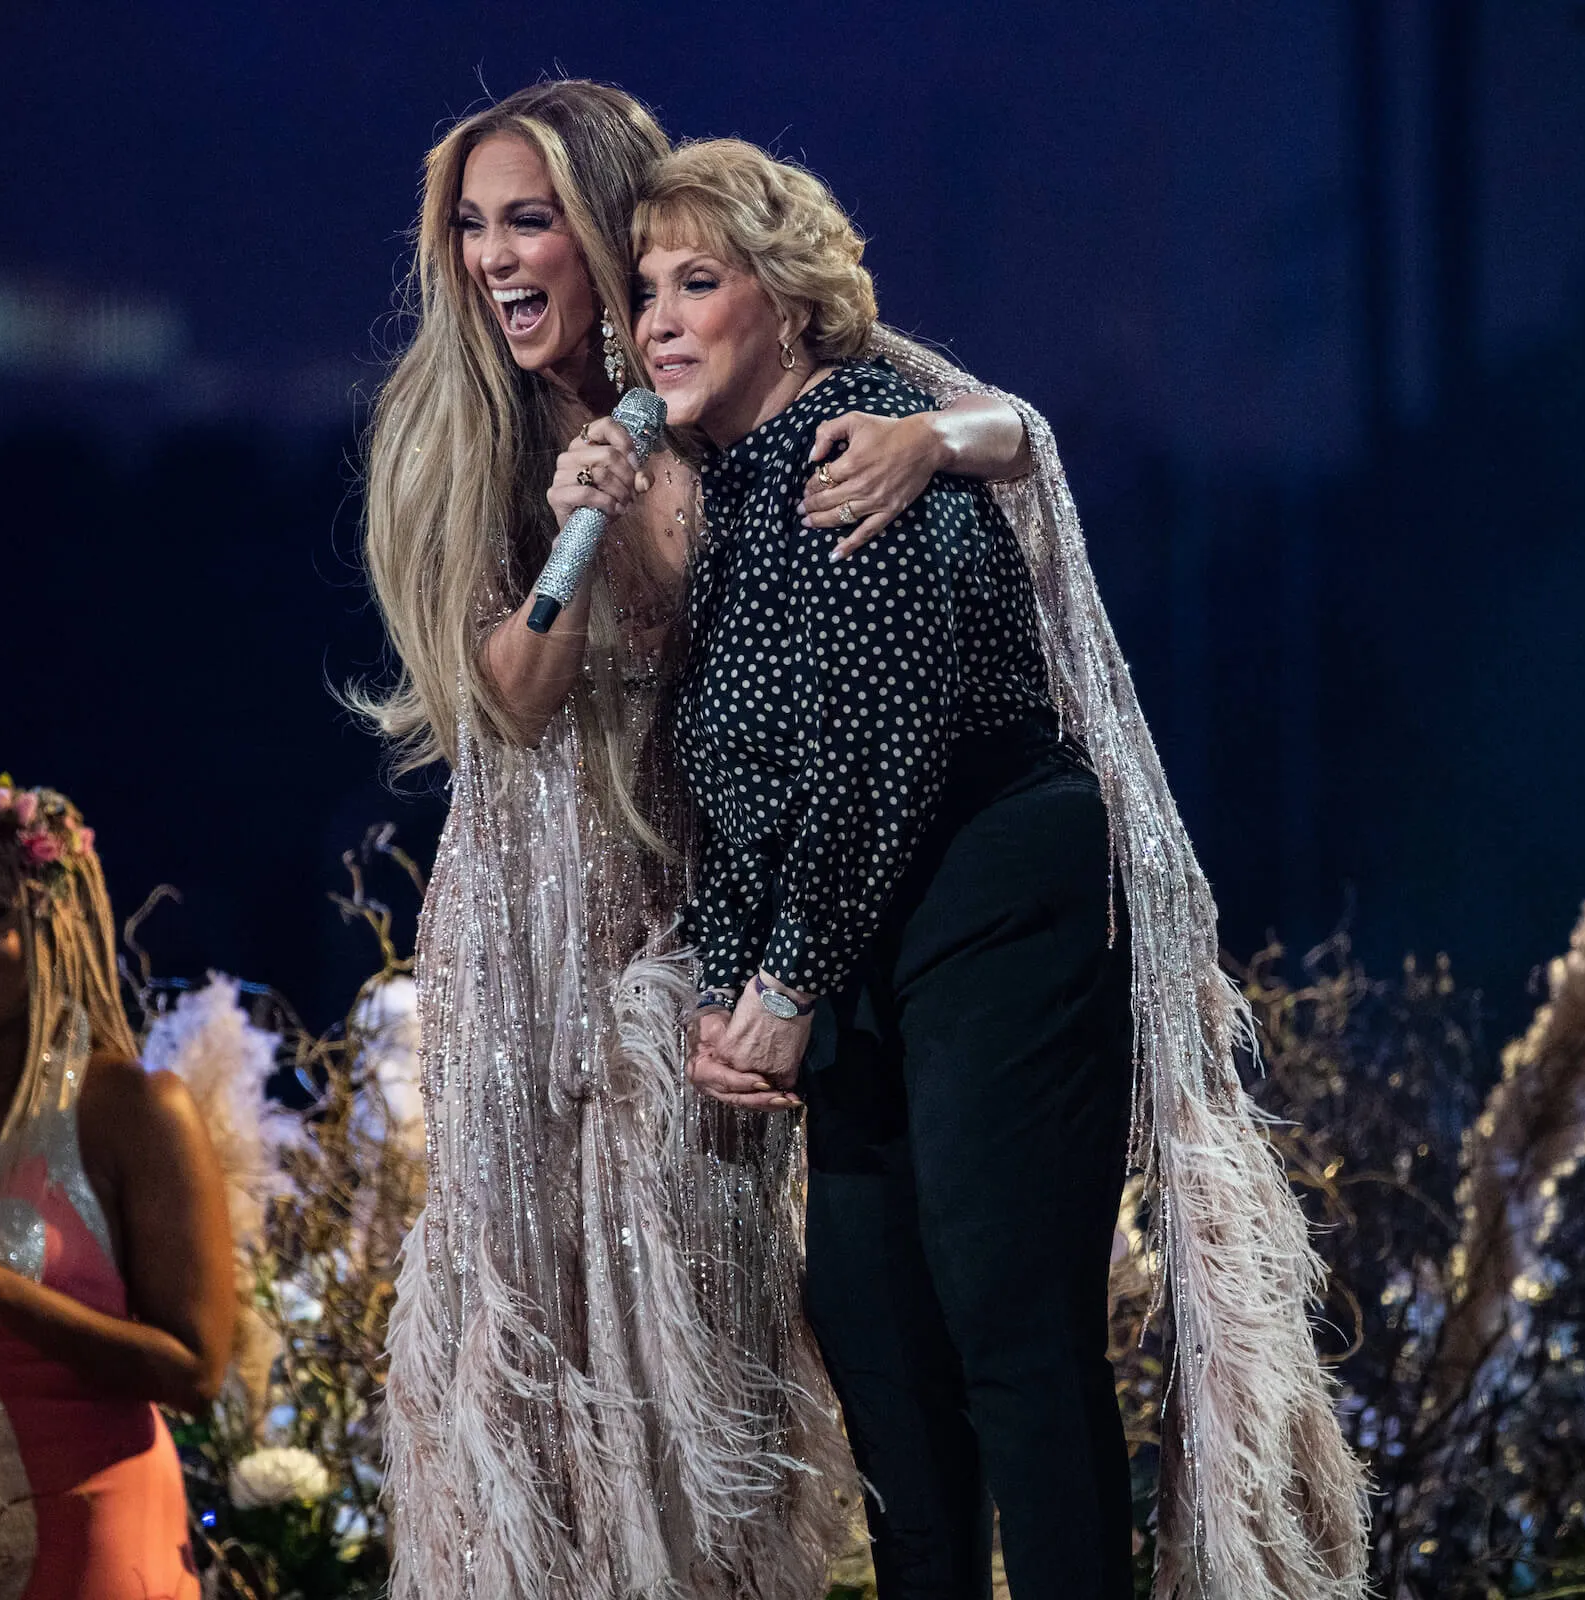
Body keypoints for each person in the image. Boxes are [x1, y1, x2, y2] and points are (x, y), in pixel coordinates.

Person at [636, 141, 1369, 1598]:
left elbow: (881, 752)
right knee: (876, 1335)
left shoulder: (861, 441)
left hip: (985, 896)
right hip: (851, 936)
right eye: (645, 288)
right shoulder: (729, 500)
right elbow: (730, 779)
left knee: (1007, 1331)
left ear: (786, 304)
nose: (658, 316)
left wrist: (778, 979)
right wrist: (729, 989)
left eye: (697, 282)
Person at [354, 81, 1032, 1600]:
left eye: (529, 219)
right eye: (469, 226)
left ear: (609, 236)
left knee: (703, 1325)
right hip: (534, 931)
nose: (492, 257)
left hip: (705, 915)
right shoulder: (461, 438)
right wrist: (578, 532)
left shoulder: (725, 388)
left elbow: (1025, 432)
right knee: (541, 1331)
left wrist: (931, 438)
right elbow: (513, 705)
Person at [0, 751, 233, 1600]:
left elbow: (198, 1373)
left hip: (93, 1547)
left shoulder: (132, 1107)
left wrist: (0, 1291)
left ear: (53, 927)